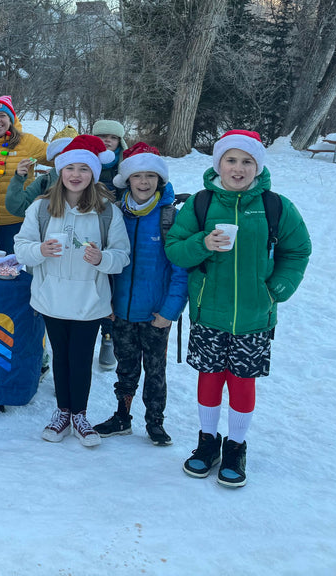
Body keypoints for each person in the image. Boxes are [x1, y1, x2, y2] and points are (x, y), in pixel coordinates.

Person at [165, 130, 310, 488]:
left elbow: (298, 251)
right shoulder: (200, 204)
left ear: (257, 167)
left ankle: (236, 446)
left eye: (247, 161)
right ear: (219, 164)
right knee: (210, 380)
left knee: (242, 383)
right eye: (231, 160)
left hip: (254, 316)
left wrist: (278, 288)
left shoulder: (277, 206)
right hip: (208, 312)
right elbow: (175, 249)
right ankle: (207, 442)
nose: (238, 168)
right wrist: (203, 242)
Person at [14, 135, 129, 447]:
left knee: (80, 359)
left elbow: (122, 255)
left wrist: (102, 258)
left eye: (84, 169)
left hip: (88, 301)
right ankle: (63, 412)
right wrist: (41, 249)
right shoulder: (40, 209)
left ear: (93, 174)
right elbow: (21, 249)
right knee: (60, 356)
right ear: (60, 171)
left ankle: (80, 414)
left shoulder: (107, 212)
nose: (76, 175)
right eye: (70, 168)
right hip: (51, 297)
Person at [94, 143, 188, 446]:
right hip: (120, 309)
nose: (144, 182)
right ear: (127, 180)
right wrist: (106, 301)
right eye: (137, 176)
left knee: (155, 370)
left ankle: (155, 422)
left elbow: (180, 269)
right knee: (126, 366)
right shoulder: (116, 213)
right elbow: (106, 263)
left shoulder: (169, 217)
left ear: (159, 180)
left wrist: (170, 310)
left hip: (156, 312)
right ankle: (122, 416)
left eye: (150, 176)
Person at [0, 96, 47, 251]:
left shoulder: (28, 142)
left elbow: (59, 157)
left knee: (10, 269)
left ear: (11, 119)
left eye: (2, 115)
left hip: (16, 221)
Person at [92, 119, 128, 370]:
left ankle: (108, 337)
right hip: (87, 231)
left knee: (111, 285)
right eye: (102, 136)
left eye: (112, 137)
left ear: (119, 142)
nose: (107, 141)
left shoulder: (127, 167)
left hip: (117, 231)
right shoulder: (84, 163)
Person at [4, 126, 78, 219]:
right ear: (53, 158)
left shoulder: (89, 180)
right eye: (60, 155)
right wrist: (18, 179)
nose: (66, 159)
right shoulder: (45, 182)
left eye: (72, 153)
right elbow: (19, 208)